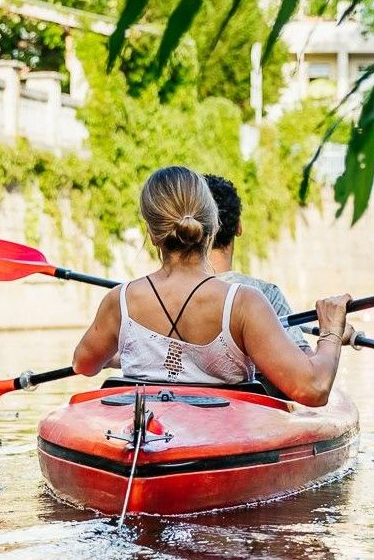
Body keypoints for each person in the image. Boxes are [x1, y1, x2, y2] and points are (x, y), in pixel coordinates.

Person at [72, 166, 350, 406]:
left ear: (152, 234)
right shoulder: (244, 303)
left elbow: (83, 364)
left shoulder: (120, 300)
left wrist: (125, 351)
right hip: (224, 439)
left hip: (145, 432)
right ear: (213, 224)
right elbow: (314, 389)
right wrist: (331, 332)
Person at [203, 173, 311, 350]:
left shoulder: (169, 296)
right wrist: (333, 332)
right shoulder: (266, 295)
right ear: (239, 227)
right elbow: (308, 365)